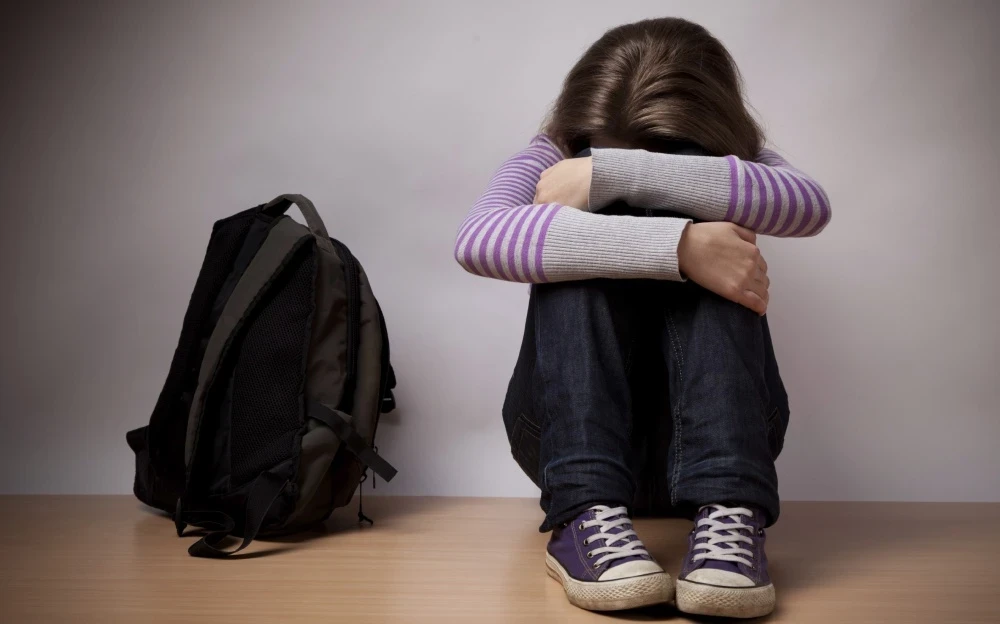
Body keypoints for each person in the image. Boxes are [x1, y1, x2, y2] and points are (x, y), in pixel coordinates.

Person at [453, 17, 830, 619]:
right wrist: (680, 248)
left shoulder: (741, 152)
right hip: (568, 449)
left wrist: (615, 174)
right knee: (572, 239)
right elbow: (478, 239)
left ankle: (731, 513)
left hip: (727, 447)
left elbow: (810, 207)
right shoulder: (553, 151)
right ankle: (583, 516)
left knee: (711, 228)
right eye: (598, 148)